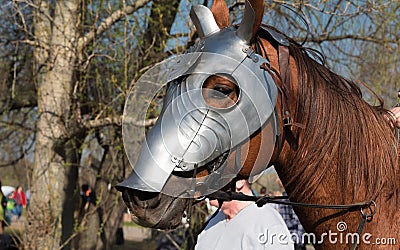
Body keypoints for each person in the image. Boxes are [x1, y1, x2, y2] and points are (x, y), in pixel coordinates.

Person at [196, 179, 294, 249]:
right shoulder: (210, 223)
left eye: (215, 177)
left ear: (240, 182)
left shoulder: (269, 224)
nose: (206, 185)